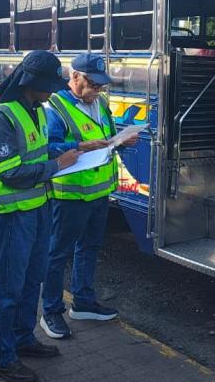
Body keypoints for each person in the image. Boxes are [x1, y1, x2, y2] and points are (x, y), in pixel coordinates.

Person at [0, 51, 81, 382]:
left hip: (37, 209)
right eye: (49, 86)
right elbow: (10, 172)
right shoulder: (3, 117)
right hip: (13, 217)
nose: (53, 92)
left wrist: (73, 148)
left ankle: (23, 339)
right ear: (32, 83)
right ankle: (2, 355)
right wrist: (57, 166)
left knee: (31, 280)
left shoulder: (36, 110)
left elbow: (36, 149)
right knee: (8, 288)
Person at [40, 53, 137, 339]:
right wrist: (81, 145)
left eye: (101, 85)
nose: (98, 91)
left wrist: (121, 141)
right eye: (93, 84)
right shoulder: (55, 106)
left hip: (99, 192)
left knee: (90, 248)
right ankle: (51, 312)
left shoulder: (101, 104)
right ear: (75, 77)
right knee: (58, 254)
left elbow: (107, 140)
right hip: (70, 194)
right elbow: (47, 147)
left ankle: (82, 302)